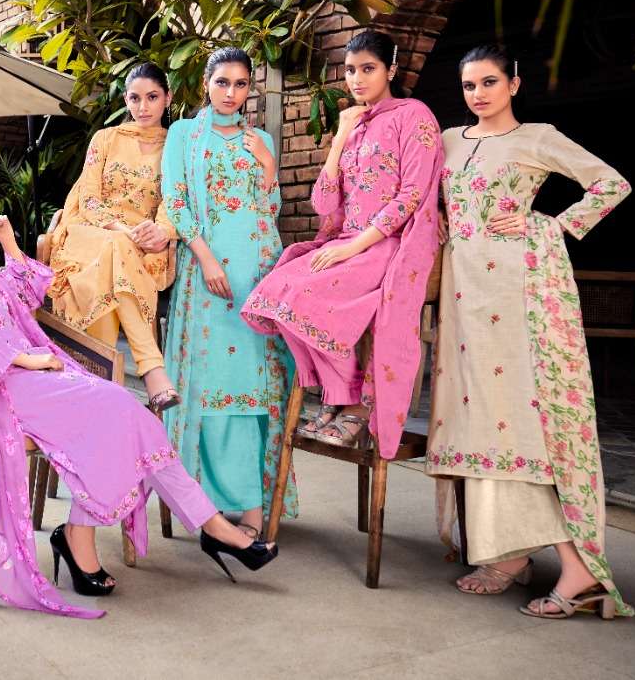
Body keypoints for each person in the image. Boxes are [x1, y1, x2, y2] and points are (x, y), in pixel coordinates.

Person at [0, 164, 278, 619]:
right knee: (121, 408)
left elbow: (30, 296)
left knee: (127, 416)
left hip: (37, 374)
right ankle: (202, 528)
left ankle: (123, 531)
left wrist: (9, 245)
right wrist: (23, 359)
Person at [425, 44, 633, 619]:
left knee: (517, 420)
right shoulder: (448, 140)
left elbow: (611, 184)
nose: (478, 94)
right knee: (479, 420)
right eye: (469, 85)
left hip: (517, 292)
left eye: (489, 82)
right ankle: (507, 555)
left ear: (514, 84)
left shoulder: (538, 137)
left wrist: (549, 225)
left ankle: (577, 566)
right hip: (463, 296)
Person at [242, 30, 443, 461]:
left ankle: (355, 403)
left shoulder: (414, 115)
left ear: (391, 70)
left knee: (302, 293)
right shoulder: (352, 124)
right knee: (274, 292)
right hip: (347, 240)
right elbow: (323, 203)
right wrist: (338, 140)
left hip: (389, 243)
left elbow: (411, 194)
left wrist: (354, 248)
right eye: (351, 70)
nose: (357, 79)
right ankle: (341, 393)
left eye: (368, 69)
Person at [159, 47, 296, 540]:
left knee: (255, 386)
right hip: (207, 276)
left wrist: (267, 164)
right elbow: (175, 201)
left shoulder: (261, 139)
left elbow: (269, 208)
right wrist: (206, 258)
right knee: (210, 382)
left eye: (240, 84)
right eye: (222, 82)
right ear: (206, 83)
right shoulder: (183, 135)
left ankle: (253, 507)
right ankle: (203, 503)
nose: (231, 93)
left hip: (257, 273)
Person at [48, 62, 179, 410]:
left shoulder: (176, 146)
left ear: (168, 98)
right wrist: (123, 232)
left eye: (152, 97)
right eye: (135, 98)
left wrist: (163, 231)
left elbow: (174, 200)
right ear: (125, 100)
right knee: (115, 249)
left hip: (141, 248)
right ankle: (152, 369)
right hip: (91, 234)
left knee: (111, 275)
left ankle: (103, 396)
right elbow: (89, 199)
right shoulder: (105, 139)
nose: (143, 107)